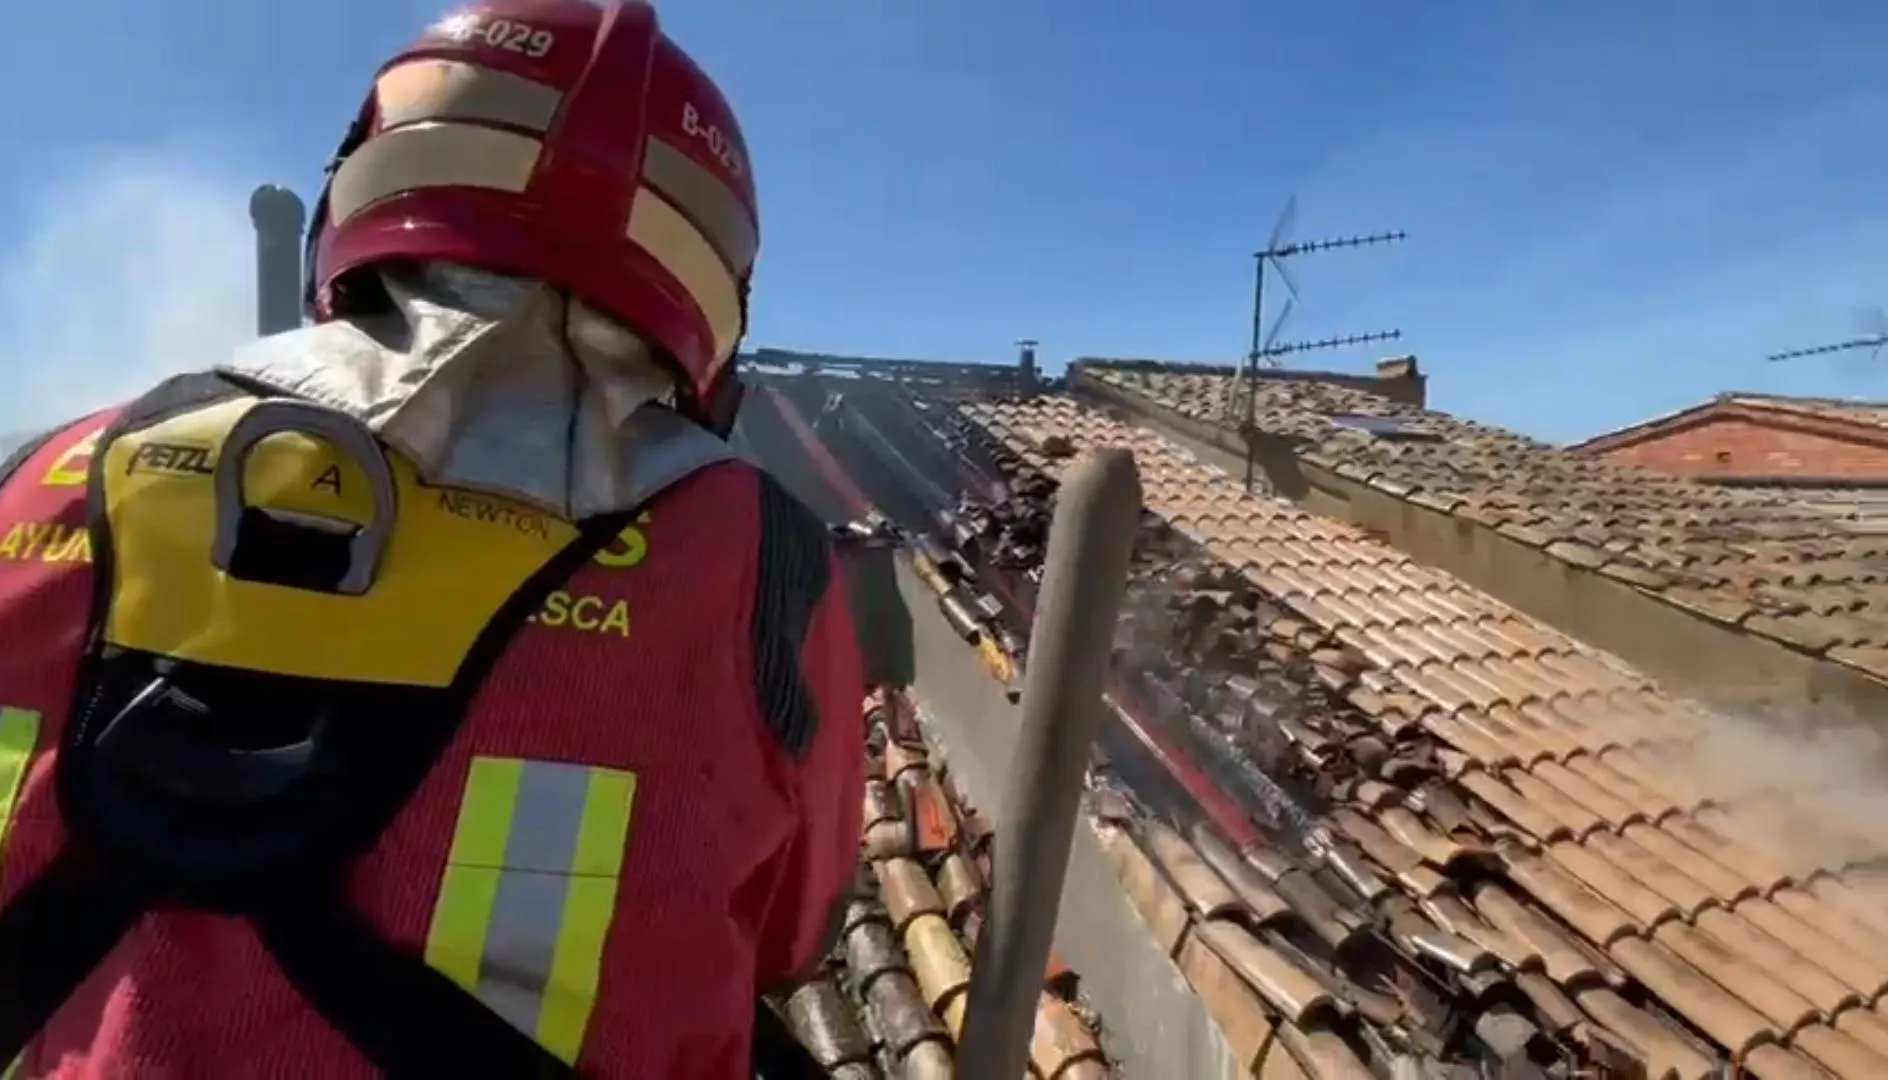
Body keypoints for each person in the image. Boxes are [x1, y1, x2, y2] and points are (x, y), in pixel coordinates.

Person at [0, 1, 864, 1076]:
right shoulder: (762, 559)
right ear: (706, 283)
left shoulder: (49, 472)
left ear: (365, 187)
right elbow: (794, 936)